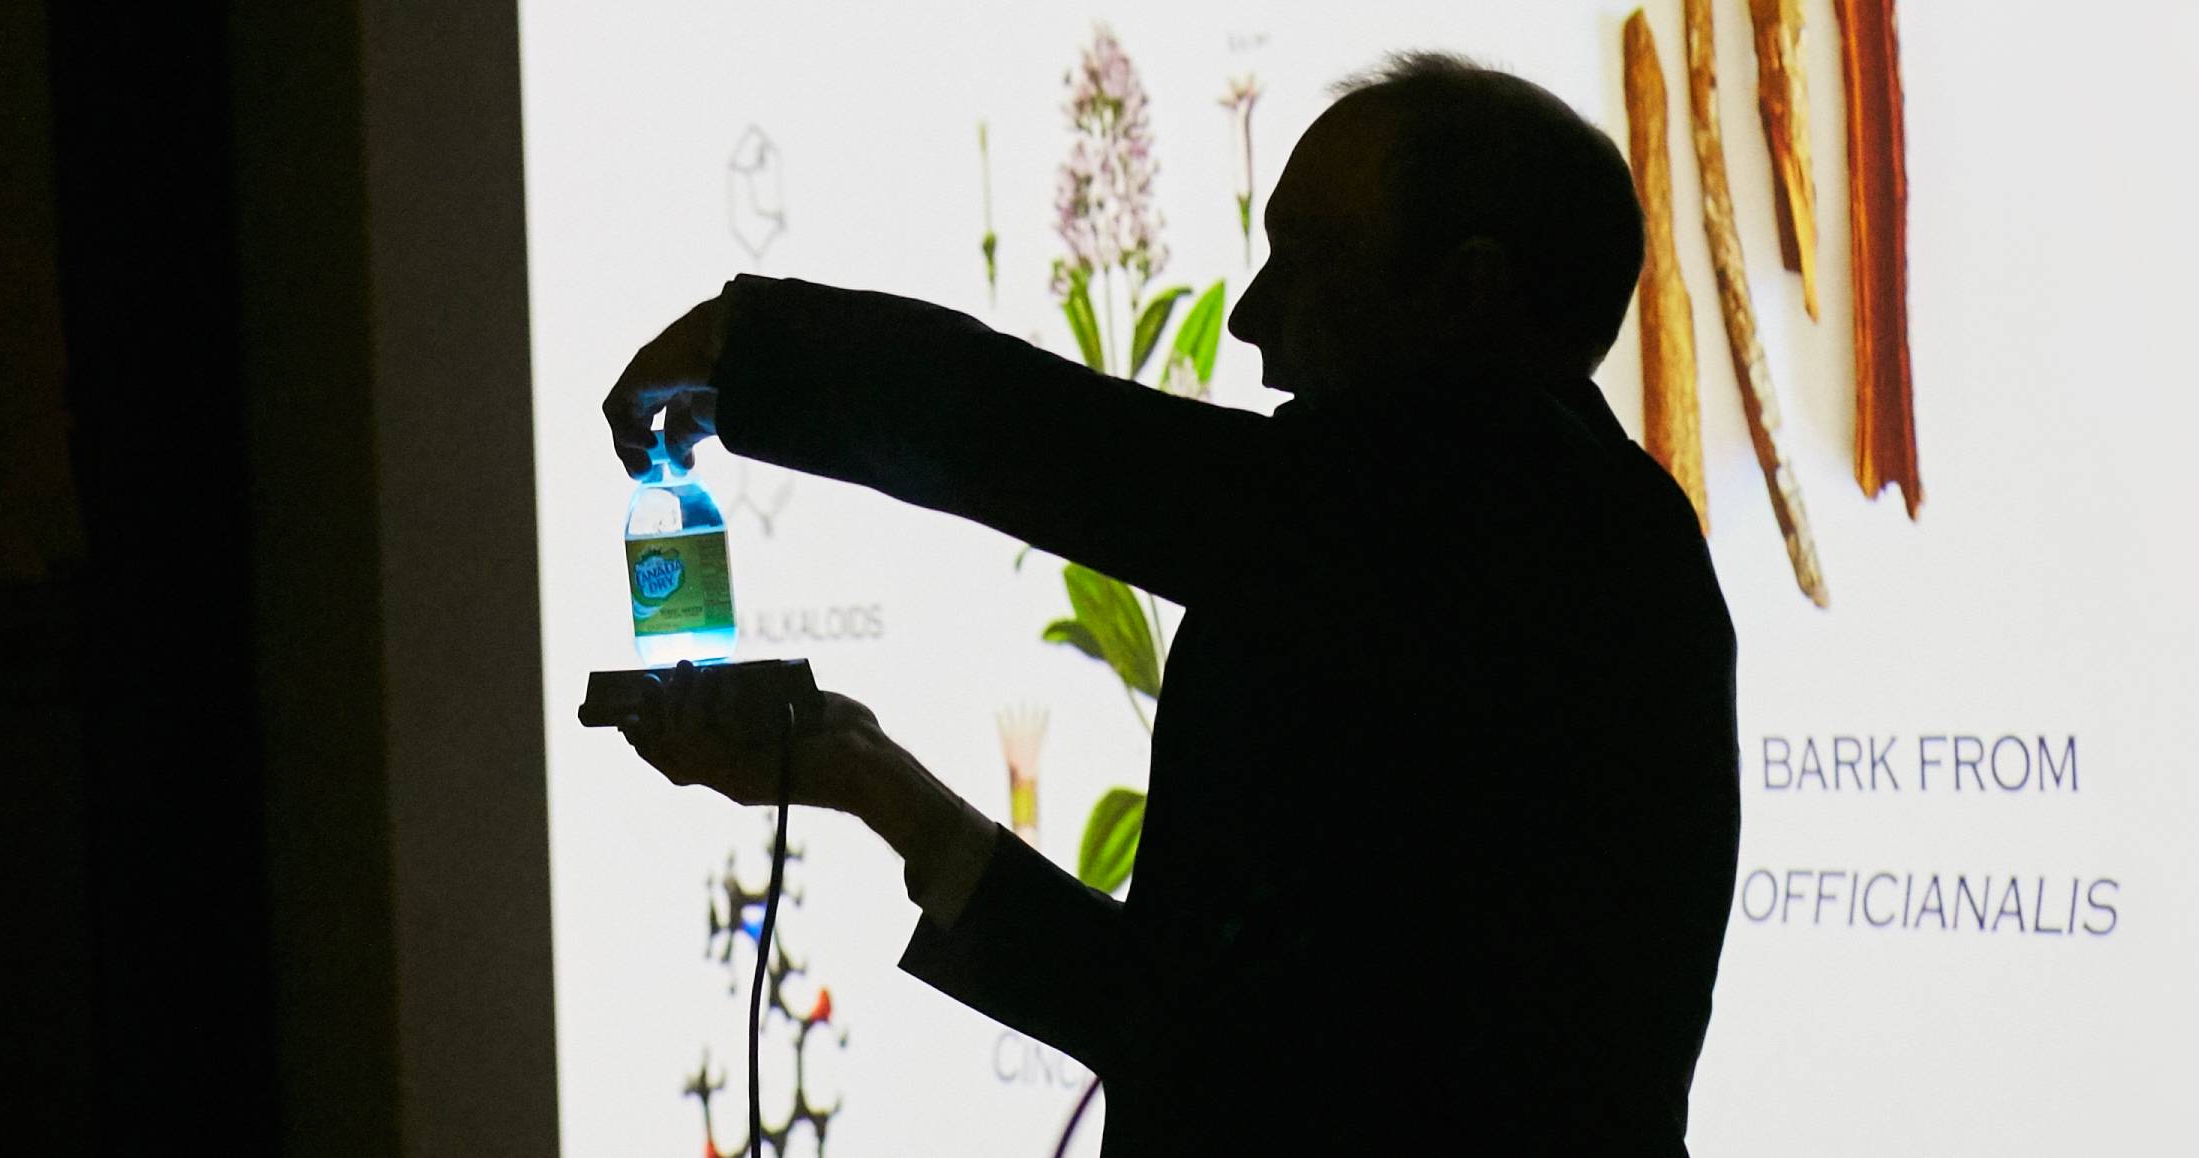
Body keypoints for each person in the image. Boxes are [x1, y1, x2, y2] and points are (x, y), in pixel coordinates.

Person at [604, 54, 1738, 1155]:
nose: (1249, 317)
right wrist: (873, 783)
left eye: (1306, 259)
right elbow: (1206, 1035)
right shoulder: (1401, 567)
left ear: (1467, 294)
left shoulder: (1541, 539)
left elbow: (1070, 452)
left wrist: (744, 345)